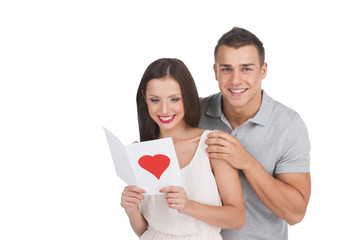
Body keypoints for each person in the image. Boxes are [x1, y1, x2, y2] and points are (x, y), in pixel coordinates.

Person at [199, 27, 311, 240]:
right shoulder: (195, 114)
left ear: (263, 70)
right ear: (215, 71)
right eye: (226, 69)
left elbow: (296, 213)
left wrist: (246, 162)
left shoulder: (289, 125)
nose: (236, 80)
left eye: (246, 69)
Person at [120, 58, 245, 240]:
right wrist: (131, 210)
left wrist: (187, 206)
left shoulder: (212, 144)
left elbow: (237, 218)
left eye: (174, 99)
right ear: (144, 97)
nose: (164, 110)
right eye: (155, 100)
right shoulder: (140, 152)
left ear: (187, 97)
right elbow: (146, 231)